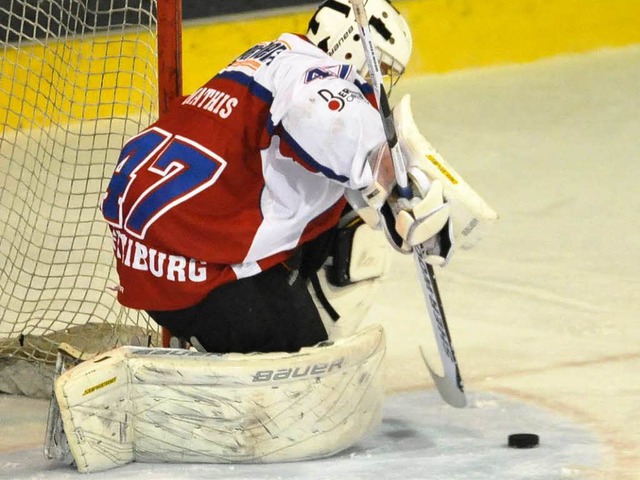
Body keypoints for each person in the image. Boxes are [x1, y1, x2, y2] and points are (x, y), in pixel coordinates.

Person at [100, 0, 450, 354]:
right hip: (199, 275)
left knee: (347, 210)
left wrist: (383, 194)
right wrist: (389, 174)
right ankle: (237, 344)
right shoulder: (319, 81)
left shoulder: (272, 59)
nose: (382, 81)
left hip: (148, 254)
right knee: (307, 380)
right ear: (354, 45)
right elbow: (326, 117)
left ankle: (220, 330)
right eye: (383, 67)